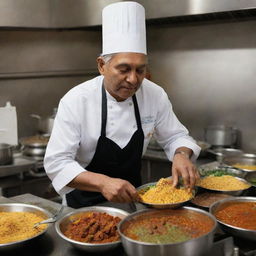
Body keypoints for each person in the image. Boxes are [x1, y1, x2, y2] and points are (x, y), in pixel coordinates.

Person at [44, 2, 201, 208]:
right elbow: (57, 163)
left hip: (133, 201)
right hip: (83, 206)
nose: (133, 80)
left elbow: (175, 136)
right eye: (124, 69)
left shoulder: (154, 94)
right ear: (102, 65)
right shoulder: (76, 100)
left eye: (140, 70)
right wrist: (103, 183)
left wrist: (181, 154)